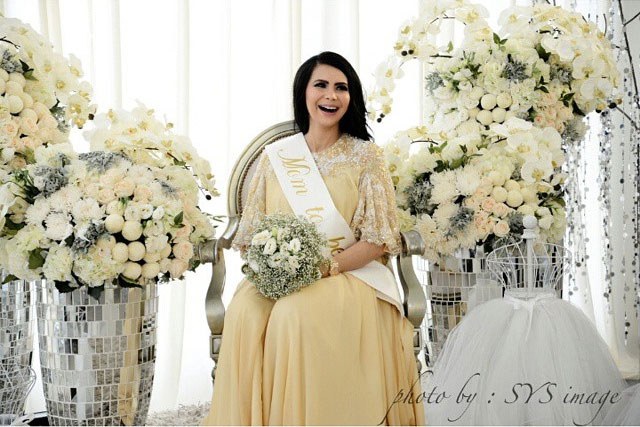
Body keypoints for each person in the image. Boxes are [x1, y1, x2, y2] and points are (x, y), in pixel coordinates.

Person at [202, 51, 425, 426]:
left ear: (351, 97)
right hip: (284, 275)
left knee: (293, 314)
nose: (331, 95)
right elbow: (253, 233)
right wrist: (276, 265)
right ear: (303, 92)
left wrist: (324, 267)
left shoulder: (365, 156)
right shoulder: (276, 158)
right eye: (321, 85)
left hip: (350, 274)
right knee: (246, 312)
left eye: (342, 87)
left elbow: (377, 240)